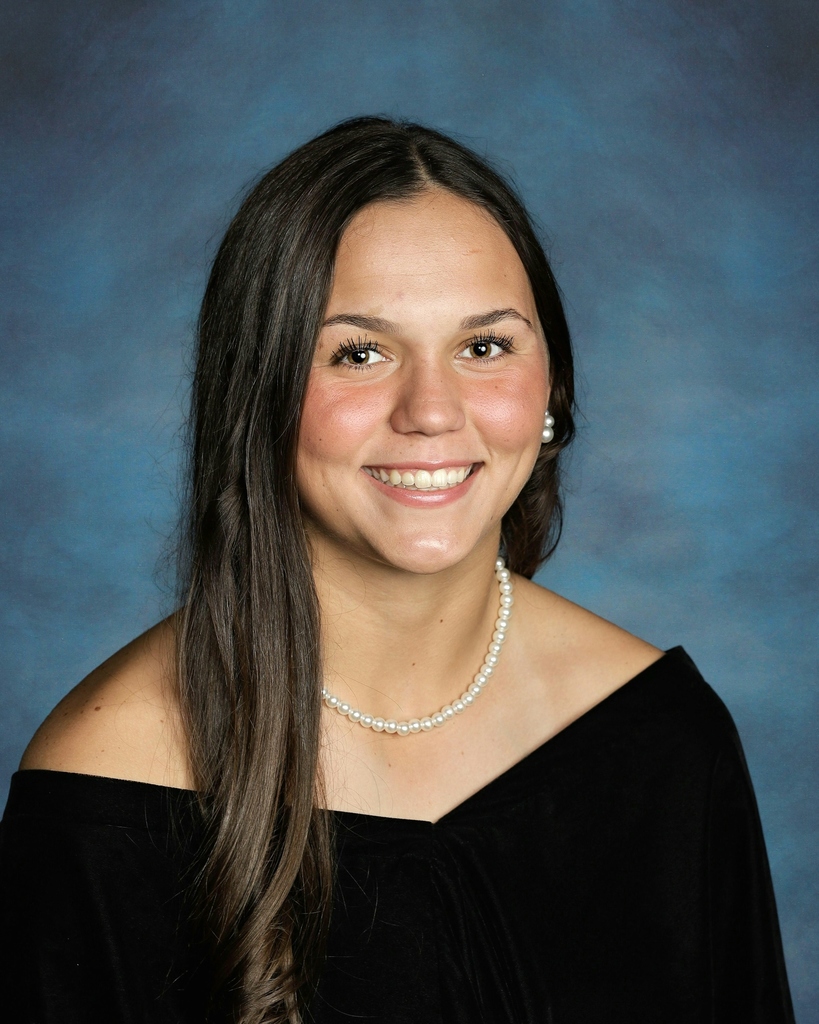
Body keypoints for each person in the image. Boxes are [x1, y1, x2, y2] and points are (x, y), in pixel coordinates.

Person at [0, 117, 794, 1024]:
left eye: (484, 345)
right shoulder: (107, 787)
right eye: (358, 353)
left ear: (551, 389)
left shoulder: (665, 743)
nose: (431, 410)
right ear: (254, 392)